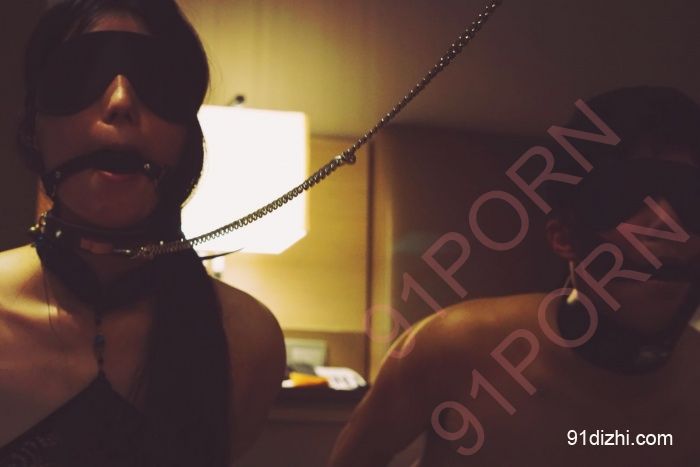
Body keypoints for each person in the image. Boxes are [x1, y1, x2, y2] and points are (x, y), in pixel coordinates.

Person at [328, 86, 700, 466]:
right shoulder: (454, 347)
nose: (666, 223)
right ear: (563, 236)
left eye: (689, 198)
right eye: (626, 194)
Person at [0, 1, 285, 466]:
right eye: (82, 72)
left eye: (157, 79)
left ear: (187, 137)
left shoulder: (249, 341)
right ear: (34, 125)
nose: (120, 102)